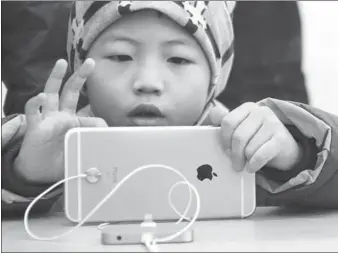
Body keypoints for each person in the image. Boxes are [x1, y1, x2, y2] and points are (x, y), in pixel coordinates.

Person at [2, 1, 337, 217]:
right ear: (82, 70)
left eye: (178, 59)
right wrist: (24, 173)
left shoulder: (250, 142)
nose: (148, 82)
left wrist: (298, 156)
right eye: (120, 56)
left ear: (214, 80)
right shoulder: (44, 141)